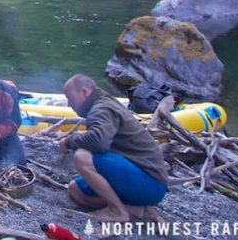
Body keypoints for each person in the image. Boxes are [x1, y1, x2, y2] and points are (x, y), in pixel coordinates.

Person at [57, 74, 168, 223]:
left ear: (84, 92)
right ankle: (134, 209)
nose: (69, 105)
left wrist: (69, 141)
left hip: (151, 182)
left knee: (82, 157)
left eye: (70, 98)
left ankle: (117, 211)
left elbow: (98, 142)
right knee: (75, 190)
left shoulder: (101, 108)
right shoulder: (102, 103)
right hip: (141, 179)